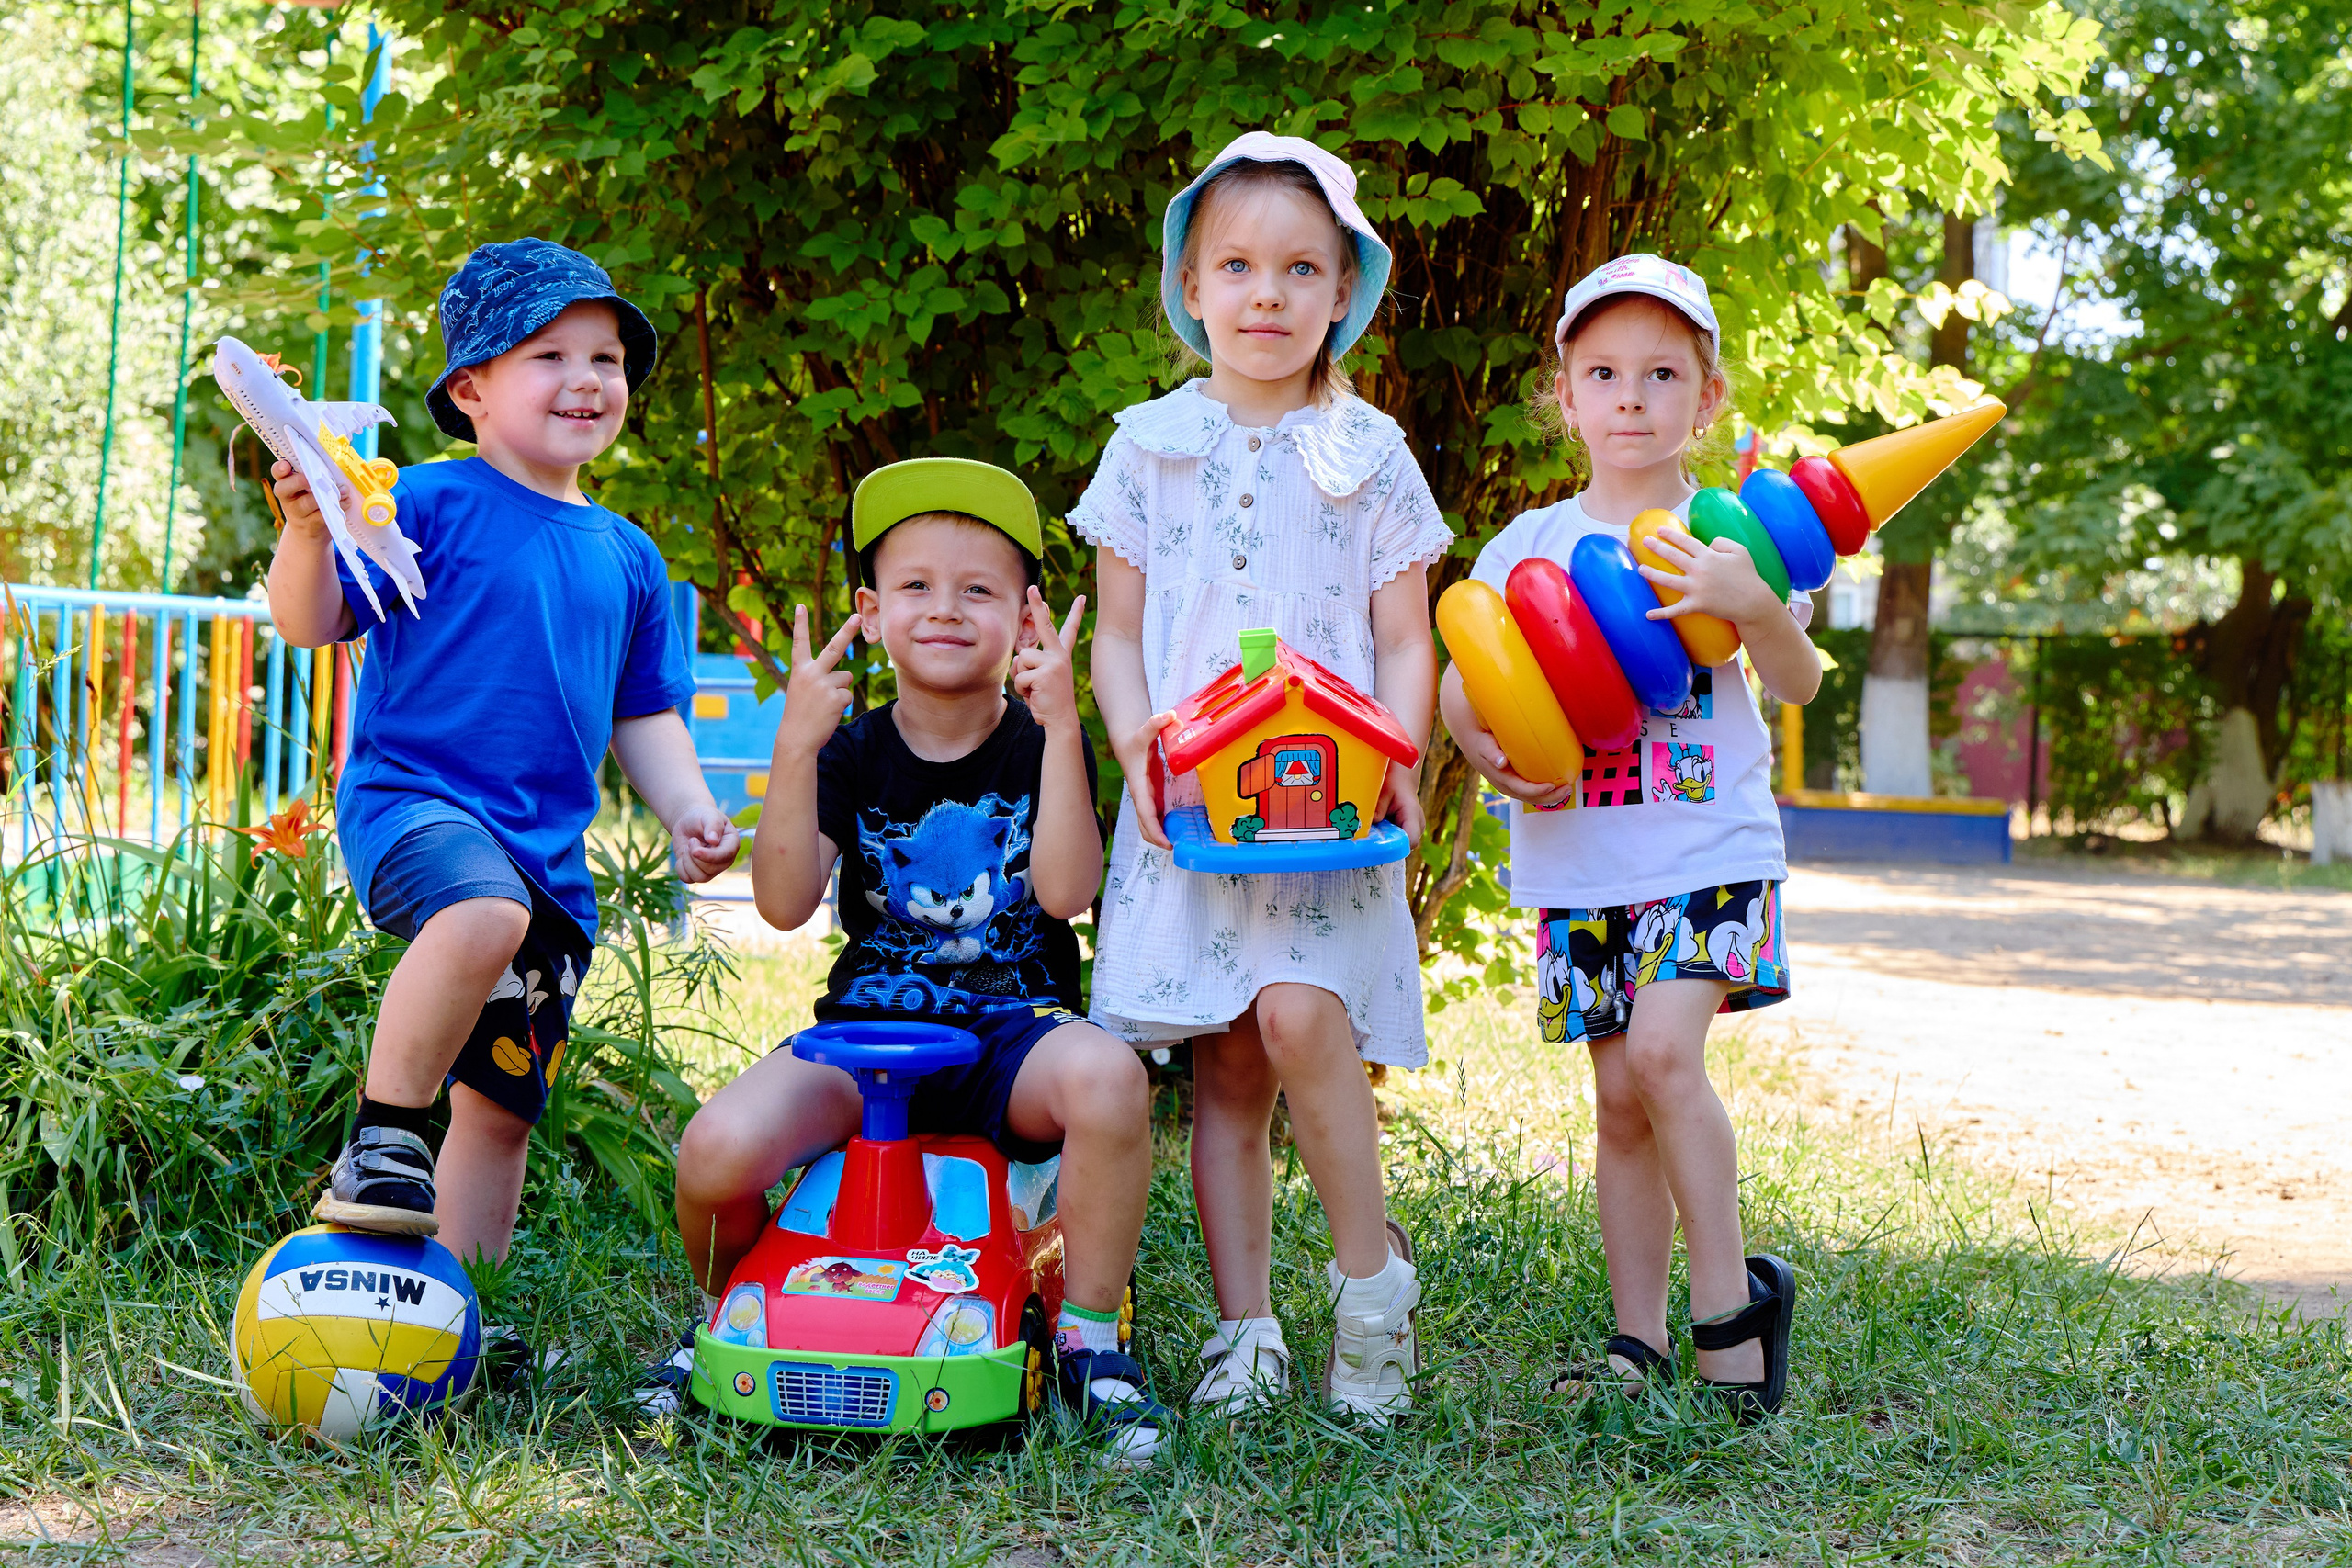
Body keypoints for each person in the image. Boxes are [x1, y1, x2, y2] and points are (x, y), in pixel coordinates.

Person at [641, 458, 1169, 1462]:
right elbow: (783, 903)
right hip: (866, 1044)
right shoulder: (847, 754)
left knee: (1110, 1077)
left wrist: (1062, 729)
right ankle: (718, 1317)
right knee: (713, 1151)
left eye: (978, 589)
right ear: (872, 614)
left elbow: (1065, 894)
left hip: (1013, 1040)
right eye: (917, 587)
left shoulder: (1039, 743)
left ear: (1024, 618)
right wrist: (794, 747)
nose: (945, 608)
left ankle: (1092, 1346)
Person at [265, 240, 738, 1295]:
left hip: (550, 865)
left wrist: (690, 807)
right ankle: (383, 1136)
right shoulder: (422, 504)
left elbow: (644, 711)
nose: (585, 380)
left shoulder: (627, 553)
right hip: (418, 807)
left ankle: (452, 1311)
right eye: (548, 355)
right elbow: (309, 620)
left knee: (499, 1109)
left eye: (606, 358)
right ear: (471, 390)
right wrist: (306, 527)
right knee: (483, 915)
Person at [1072, 133, 1452, 1423]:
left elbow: (1408, 635)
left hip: (1328, 807)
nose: (1266, 294)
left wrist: (1397, 759)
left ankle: (1371, 1282)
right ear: (1190, 281)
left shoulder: (1370, 453)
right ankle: (1246, 1331)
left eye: (1300, 268)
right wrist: (1133, 743)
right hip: (1190, 806)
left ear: (1344, 288)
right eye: (1235, 265)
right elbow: (1117, 631)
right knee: (1226, 1067)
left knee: (1299, 1018)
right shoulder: (1148, 447)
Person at [1438, 254, 1819, 1420]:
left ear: (1705, 398)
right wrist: (1477, 743)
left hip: (1709, 857)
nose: (1632, 398)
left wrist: (1750, 602)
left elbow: (1797, 683)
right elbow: (1469, 679)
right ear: (1566, 395)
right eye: (1603, 373)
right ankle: (1635, 1337)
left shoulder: (1725, 536)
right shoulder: (1530, 545)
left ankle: (1730, 1318)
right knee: (1617, 1101)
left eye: (1662, 374)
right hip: (1583, 865)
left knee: (1664, 1058)